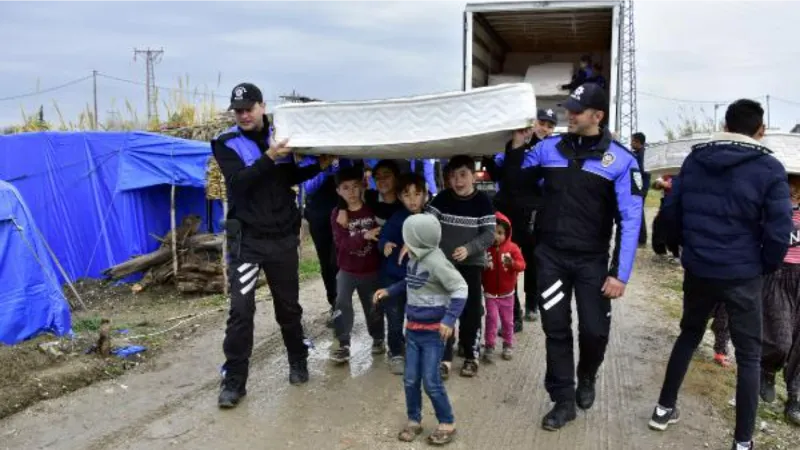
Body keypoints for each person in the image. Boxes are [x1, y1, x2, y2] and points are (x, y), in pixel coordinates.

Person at [648, 99, 794, 450]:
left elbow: (671, 212)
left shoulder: (696, 159)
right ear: (760, 130)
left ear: (726, 125)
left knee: (688, 335)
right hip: (743, 274)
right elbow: (779, 230)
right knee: (748, 355)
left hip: (700, 269)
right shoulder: (770, 167)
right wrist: (765, 266)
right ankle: (742, 442)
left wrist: (684, 249)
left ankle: (663, 409)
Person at [519, 83, 644, 430]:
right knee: (555, 329)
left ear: (597, 116)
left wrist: (620, 274)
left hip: (592, 262)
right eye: (568, 109)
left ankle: (587, 374)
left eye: (576, 110)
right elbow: (516, 181)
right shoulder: (547, 150)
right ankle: (562, 399)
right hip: (552, 260)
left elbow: (631, 219)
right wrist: (516, 144)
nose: (568, 115)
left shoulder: (621, 160)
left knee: (594, 331)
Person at [212, 82, 322, 408]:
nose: (244, 115)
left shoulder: (284, 133)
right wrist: (270, 155)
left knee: (288, 307)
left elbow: (286, 178)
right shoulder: (226, 143)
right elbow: (238, 183)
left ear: (262, 106)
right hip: (247, 243)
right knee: (241, 312)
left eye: (249, 108)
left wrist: (320, 166)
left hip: (283, 240)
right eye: (239, 110)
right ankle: (234, 381)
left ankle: (298, 360)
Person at [374, 213, 467, 446]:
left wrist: (449, 319)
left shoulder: (437, 262)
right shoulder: (415, 258)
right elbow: (411, 281)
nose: (405, 243)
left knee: (431, 381)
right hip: (413, 330)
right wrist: (389, 290)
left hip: (434, 333)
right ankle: (414, 420)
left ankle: (447, 422)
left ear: (418, 239)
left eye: (408, 238)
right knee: (410, 379)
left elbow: (460, 289)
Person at [484, 107, 558, 329]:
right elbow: (498, 173)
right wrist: (489, 157)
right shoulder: (511, 143)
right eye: (541, 123)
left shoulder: (550, 149)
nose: (544, 128)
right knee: (505, 259)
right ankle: (513, 312)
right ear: (532, 123)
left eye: (549, 125)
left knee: (531, 260)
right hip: (507, 211)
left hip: (532, 214)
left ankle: (532, 303)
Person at [426, 155, 496, 379]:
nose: (458, 181)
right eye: (453, 176)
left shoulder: (483, 201)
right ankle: (444, 358)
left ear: (473, 176)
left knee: (471, 311)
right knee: (444, 310)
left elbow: (489, 234)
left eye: (463, 175)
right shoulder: (443, 198)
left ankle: (471, 355)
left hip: (471, 266)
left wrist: (469, 248)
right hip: (444, 266)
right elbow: (427, 222)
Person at [329, 166, 384, 363]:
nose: (351, 192)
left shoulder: (372, 208)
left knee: (373, 306)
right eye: (345, 188)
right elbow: (343, 244)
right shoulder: (338, 214)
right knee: (342, 303)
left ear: (362, 186)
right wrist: (365, 235)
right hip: (347, 269)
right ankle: (343, 343)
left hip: (371, 270)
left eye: (354, 187)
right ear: (338, 191)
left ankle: (378, 338)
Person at [378, 173, 429, 374]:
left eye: (417, 194)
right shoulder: (397, 218)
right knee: (394, 316)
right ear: (399, 197)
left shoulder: (429, 219)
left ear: (425, 195)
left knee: (417, 317)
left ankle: (416, 348)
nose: (413, 200)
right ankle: (396, 353)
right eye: (407, 195)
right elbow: (383, 237)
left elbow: (435, 243)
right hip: (393, 276)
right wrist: (385, 244)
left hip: (418, 280)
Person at [760, 174, 800, 426]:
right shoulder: (774, 200)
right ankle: (768, 367)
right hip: (779, 273)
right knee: (781, 340)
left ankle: (795, 398)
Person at [302, 157, 357, 326]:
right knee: (326, 262)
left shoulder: (341, 153)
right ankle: (335, 304)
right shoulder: (308, 156)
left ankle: (344, 304)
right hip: (317, 214)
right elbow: (309, 187)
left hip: (342, 213)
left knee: (339, 260)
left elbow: (350, 180)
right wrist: (324, 168)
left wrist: (343, 208)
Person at [482, 212, 526, 363]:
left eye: (500, 233)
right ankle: (489, 345)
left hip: (507, 294)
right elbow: (479, 269)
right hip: (490, 294)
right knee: (491, 319)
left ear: (506, 233)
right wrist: (484, 265)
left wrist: (512, 264)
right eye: (493, 232)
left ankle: (508, 344)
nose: (496, 236)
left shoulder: (512, 248)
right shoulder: (485, 248)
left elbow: (522, 265)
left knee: (508, 321)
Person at [650, 174, 681, 262]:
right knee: (658, 225)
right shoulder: (667, 172)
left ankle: (677, 254)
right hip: (666, 204)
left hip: (679, 203)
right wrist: (661, 183)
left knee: (675, 228)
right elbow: (655, 185)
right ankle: (661, 252)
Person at [631, 132, 651, 246]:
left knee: (638, 211)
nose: (631, 143)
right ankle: (639, 237)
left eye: (633, 141)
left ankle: (642, 239)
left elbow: (642, 170)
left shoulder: (643, 154)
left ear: (638, 142)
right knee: (637, 211)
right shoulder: (638, 153)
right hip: (638, 186)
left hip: (641, 187)